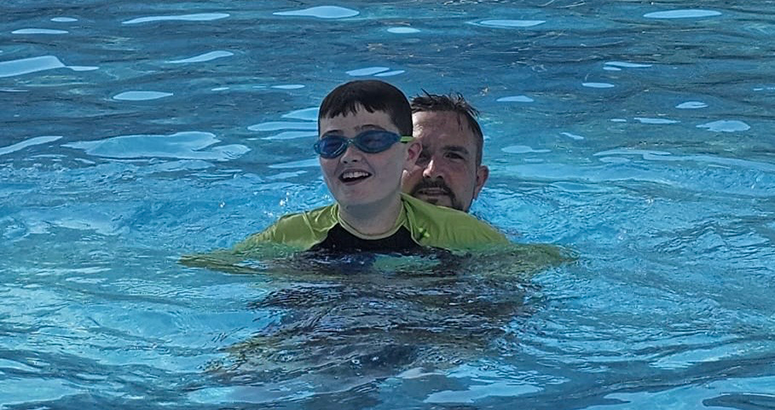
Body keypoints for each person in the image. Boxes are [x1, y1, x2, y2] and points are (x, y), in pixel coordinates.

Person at [225, 80, 510, 257]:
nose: (431, 171)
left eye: (371, 141)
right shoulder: (294, 235)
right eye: (332, 144)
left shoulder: (477, 240)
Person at [401, 92, 488, 213]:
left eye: (453, 156)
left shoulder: (494, 232)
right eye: (418, 155)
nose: (432, 172)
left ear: (478, 181)